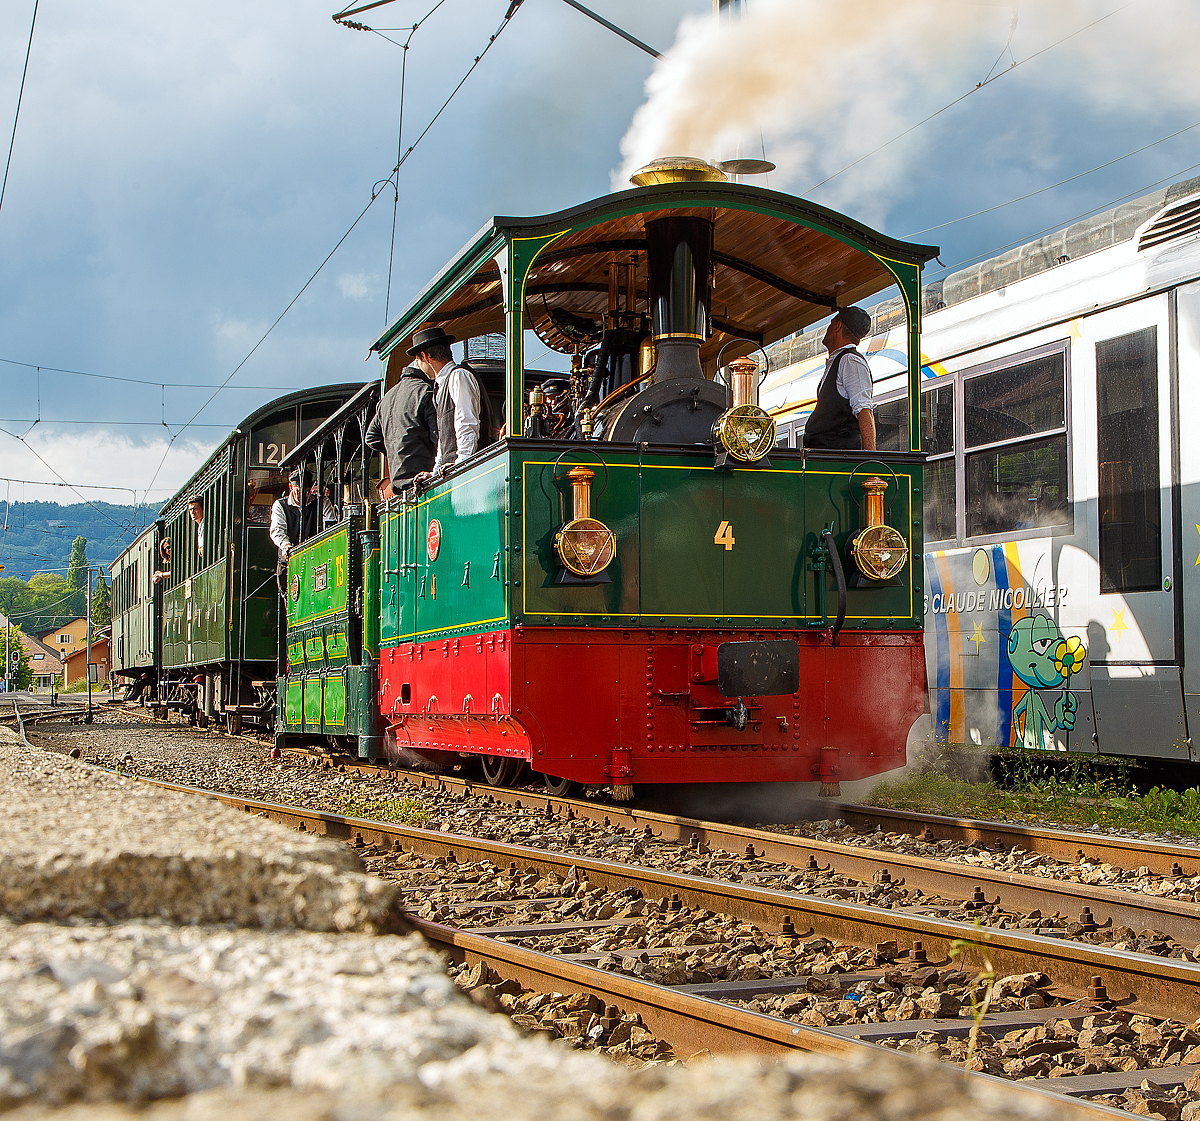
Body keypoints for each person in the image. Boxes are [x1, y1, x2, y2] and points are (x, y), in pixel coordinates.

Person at [406, 327, 488, 478]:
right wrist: (435, 472)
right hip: (453, 471)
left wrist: (463, 463)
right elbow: (443, 437)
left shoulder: (459, 375)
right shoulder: (440, 387)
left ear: (425, 356)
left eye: (418, 361)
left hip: (469, 471)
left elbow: (467, 422)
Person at [802, 306, 876, 451]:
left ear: (837, 326)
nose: (827, 329)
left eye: (830, 323)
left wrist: (870, 463)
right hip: (826, 457)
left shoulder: (850, 361)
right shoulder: (841, 360)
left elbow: (864, 410)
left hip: (836, 463)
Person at [364, 361, 439, 495]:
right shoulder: (425, 391)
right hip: (424, 480)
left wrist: (396, 449)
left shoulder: (386, 399)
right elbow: (438, 438)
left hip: (398, 484)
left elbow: (371, 437)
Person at [269, 469, 335, 563]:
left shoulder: (322, 502)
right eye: (300, 491)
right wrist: (286, 546)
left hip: (315, 559)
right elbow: (277, 530)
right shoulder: (280, 505)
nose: (305, 494)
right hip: (288, 561)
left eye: (308, 490)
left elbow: (330, 525)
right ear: (291, 487)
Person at [187, 496, 204, 561]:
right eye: (190, 510)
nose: (192, 512)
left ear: (202, 509)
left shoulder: (206, 525)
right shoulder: (200, 527)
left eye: (195, 509)